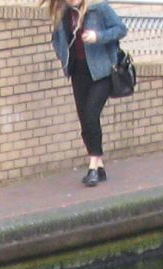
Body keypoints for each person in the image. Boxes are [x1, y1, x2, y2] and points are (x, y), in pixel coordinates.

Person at [48, 0, 128, 186]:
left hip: (101, 72)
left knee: (91, 115)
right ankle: (99, 166)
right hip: (78, 72)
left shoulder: (98, 9)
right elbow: (57, 39)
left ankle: (92, 166)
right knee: (85, 121)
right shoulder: (64, 13)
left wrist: (97, 36)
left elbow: (121, 29)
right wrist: (63, 58)